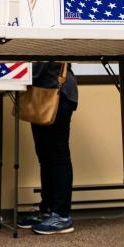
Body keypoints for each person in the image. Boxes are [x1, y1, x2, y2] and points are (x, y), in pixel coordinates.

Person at [17, 62, 78, 235]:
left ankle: (61, 216)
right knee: (45, 156)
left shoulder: (48, 34)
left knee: (58, 156)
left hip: (57, 93)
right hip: (42, 94)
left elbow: (41, 63)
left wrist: (12, 75)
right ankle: (48, 210)